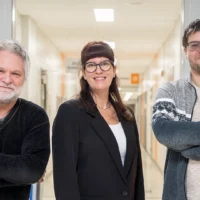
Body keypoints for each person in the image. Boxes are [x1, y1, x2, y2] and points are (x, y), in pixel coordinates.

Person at [52, 41, 144, 200]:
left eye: (105, 64)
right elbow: (64, 177)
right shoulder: (70, 113)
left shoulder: (127, 115)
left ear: (114, 70)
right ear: (84, 72)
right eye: (91, 65)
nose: (98, 70)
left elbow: (137, 173)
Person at [152, 19, 200, 200]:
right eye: (195, 45)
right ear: (185, 51)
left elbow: (177, 136)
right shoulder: (170, 91)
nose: (199, 50)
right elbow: (164, 132)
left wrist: (188, 148)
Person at [0, 40, 50, 200]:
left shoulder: (35, 116)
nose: (7, 80)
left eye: (15, 73)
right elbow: (24, 173)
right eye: (1, 71)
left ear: (24, 78)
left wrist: (28, 173)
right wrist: (15, 173)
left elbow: (31, 171)